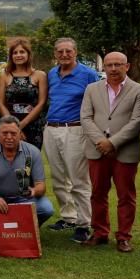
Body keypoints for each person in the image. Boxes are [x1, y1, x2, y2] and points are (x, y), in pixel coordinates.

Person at [80, 52, 140, 252]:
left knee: (126, 195)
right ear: (104, 67)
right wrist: (100, 141)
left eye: (118, 64)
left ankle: (124, 237)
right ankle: (100, 233)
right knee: (97, 193)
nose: (113, 68)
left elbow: (137, 122)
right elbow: (85, 118)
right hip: (96, 149)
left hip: (125, 150)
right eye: (109, 65)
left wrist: (113, 143)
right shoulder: (91, 89)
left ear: (127, 66)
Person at [43, 37, 100, 243]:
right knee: (58, 178)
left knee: (78, 180)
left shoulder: (88, 74)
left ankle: (84, 224)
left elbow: (98, 103)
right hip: (51, 129)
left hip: (75, 129)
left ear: (75, 52)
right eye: (60, 51)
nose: (64, 55)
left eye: (68, 51)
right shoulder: (52, 74)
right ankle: (69, 217)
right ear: (55, 54)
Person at [0, 116, 54, 226]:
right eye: (5, 133)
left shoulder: (32, 151)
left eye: (13, 133)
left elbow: (41, 186)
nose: (9, 137)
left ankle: (28, 228)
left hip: (23, 198)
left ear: (20, 133)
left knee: (47, 209)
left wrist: (33, 191)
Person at [0, 37, 47, 149]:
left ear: (28, 54)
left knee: (30, 162)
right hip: (9, 128)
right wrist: (12, 126)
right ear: (11, 56)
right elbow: (1, 103)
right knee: (10, 160)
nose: (18, 55)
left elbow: (41, 103)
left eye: (22, 52)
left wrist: (20, 126)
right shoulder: (4, 76)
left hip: (33, 126)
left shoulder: (40, 75)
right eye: (15, 52)